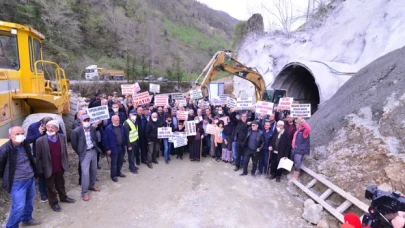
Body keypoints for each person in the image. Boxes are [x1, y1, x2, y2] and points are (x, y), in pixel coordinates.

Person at [0, 126, 42, 227]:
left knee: (29, 201)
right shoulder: (5, 149)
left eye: (22, 133)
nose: (20, 136)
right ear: (10, 136)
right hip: (17, 182)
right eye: (17, 134)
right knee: (19, 206)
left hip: (30, 178)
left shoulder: (25, 144)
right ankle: (11, 226)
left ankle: (27, 219)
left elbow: (30, 158)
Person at [35, 120, 75, 212]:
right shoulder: (40, 141)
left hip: (60, 166)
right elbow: (38, 158)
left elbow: (64, 152)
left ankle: (63, 197)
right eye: (48, 127)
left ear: (57, 129)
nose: (50, 129)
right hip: (48, 168)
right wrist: (40, 170)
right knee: (50, 187)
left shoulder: (62, 137)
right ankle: (53, 203)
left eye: (53, 127)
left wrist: (65, 162)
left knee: (61, 184)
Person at [26, 117, 63, 202]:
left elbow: (61, 135)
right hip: (40, 156)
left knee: (54, 173)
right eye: (47, 126)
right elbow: (28, 140)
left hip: (53, 155)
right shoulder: (33, 127)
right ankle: (43, 193)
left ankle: (54, 190)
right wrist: (39, 133)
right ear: (41, 123)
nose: (49, 128)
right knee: (42, 175)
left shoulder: (56, 124)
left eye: (51, 126)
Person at [71, 114, 102, 201]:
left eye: (88, 120)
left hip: (93, 151)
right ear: (81, 121)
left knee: (94, 170)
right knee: (85, 173)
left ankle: (92, 185)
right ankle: (84, 192)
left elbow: (95, 138)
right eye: (85, 120)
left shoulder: (92, 129)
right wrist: (80, 152)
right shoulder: (76, 131)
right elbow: (74, 144)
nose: (87, 122)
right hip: (84, 153)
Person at [103, 115, 127, 182]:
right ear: (112, 120)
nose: (117, 121)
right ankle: (113, 176)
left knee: (120, 161)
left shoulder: (121, 126)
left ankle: (118, 172)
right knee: (114, 163)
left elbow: (123, 136)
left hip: (121, 147)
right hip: (113, 148)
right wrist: (107, 149)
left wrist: (124, 144)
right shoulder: (108, 129)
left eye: (118, 120)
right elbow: (105, 140)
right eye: (116, 120)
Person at [289, 117, 311, 182]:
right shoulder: (297, 131)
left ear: (300, 125)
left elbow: (308, 128)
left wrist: (301, 121)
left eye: (297, 124)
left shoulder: (304, 132)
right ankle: (293, 174)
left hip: (299, 151)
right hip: (294, 149)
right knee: (293, 162)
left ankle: (295, 177)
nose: (296, 125)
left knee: (297, 164)